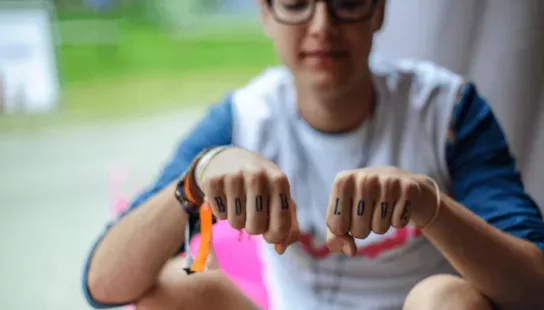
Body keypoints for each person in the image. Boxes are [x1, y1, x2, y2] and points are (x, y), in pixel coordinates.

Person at [82, 0, 544, 309]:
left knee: (448, 298)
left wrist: (430, 205)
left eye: (345, 0)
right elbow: (104, 285)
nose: (322, 25)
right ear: (265, 13)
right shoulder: (244, 116)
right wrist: (197, 177)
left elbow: (534, 286)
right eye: (297, 2)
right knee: (173, 291)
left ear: (378, 10)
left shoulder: (446, 109)